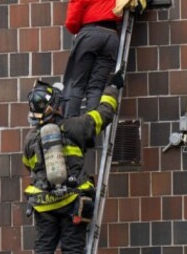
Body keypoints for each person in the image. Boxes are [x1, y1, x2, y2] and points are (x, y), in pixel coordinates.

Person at [22, 69, 125, 253]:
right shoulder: (74, 127)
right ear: (55, 107)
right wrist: (112, 87)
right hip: (71, 201)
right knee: (73, 249)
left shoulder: (30, 139)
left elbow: (28, 165)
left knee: (43, 249)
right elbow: (103, 115)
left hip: (44, 204)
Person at [59, 0, 131, 118]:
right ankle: (90, 125)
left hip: (89, 35)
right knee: (96, 86)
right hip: (112, 37)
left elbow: (71, 23)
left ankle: (72, 124)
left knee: (76, 82)